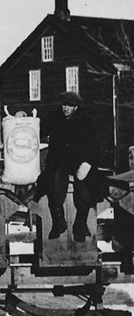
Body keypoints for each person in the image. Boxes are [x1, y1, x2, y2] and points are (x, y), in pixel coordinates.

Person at [35, 91, 103, 242]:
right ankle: (58, 222)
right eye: (64, 104)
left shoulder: (85, 121)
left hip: (80, 160)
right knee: (53, 181)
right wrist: (29, 121)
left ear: (76, 107)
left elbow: (94, 146)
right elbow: (39, 129)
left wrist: (87, 163)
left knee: (84, 187)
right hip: (59, 160)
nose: (66, 108)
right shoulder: (54, 118)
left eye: (70, 105)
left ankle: (80, 225)